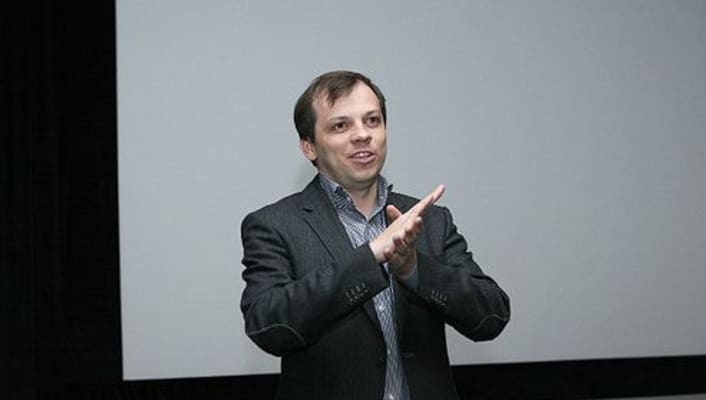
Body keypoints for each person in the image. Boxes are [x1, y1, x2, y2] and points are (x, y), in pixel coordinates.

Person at [240, 70, 510, 400]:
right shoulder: (274, 224)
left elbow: (491, 316)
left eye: (372, 121)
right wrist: (370, 257)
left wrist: (414, 269)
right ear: (309, 147)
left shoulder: (429, 219)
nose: (362, 135)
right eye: (341, 126)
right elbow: (269, 327)